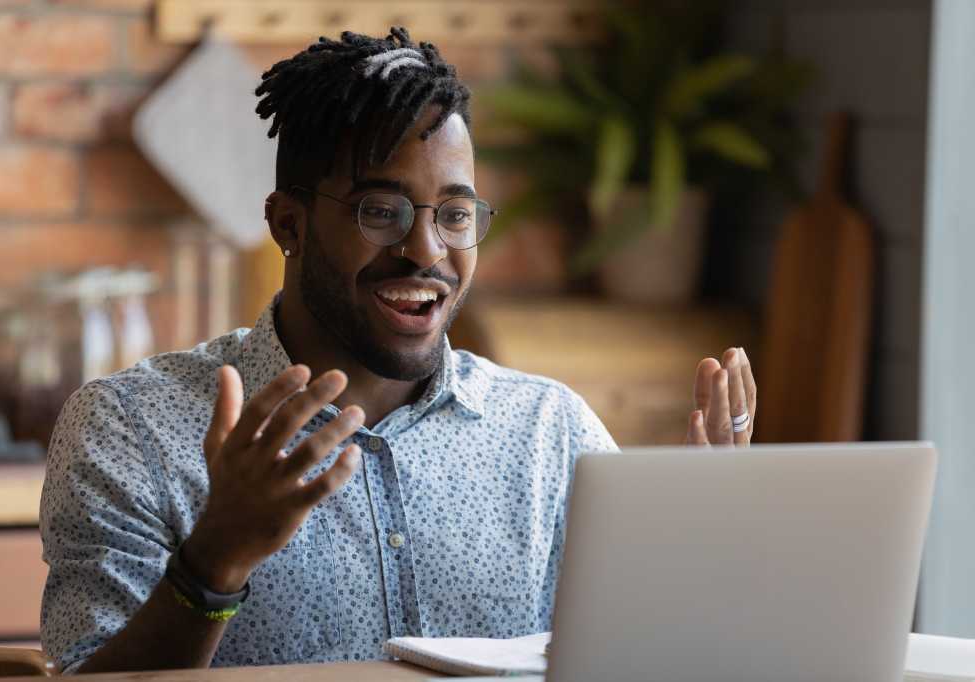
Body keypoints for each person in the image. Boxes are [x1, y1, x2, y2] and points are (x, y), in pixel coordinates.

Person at [39, 27, 757, 673]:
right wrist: (213, 562)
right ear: (288, 222)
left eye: (454, 214)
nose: (426, 249)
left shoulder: (551, 433)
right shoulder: (131, 429)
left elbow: (636, 657)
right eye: (381, 212)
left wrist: (699, 557)